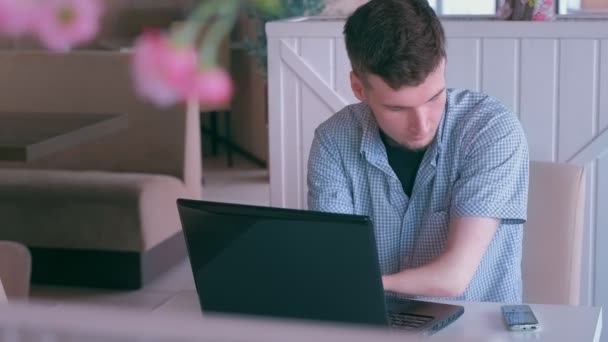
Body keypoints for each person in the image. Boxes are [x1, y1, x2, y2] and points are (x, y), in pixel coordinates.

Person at [307, 0, 529, 303]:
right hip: (373, 326)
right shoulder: (333, 140)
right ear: (358, 88)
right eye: (397, 108)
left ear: (444, 65)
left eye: (434, 97)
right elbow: (336, 261)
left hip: (477, 328)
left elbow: (453, 278)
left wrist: (358, 283)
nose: (421, 125)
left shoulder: (490, 129)